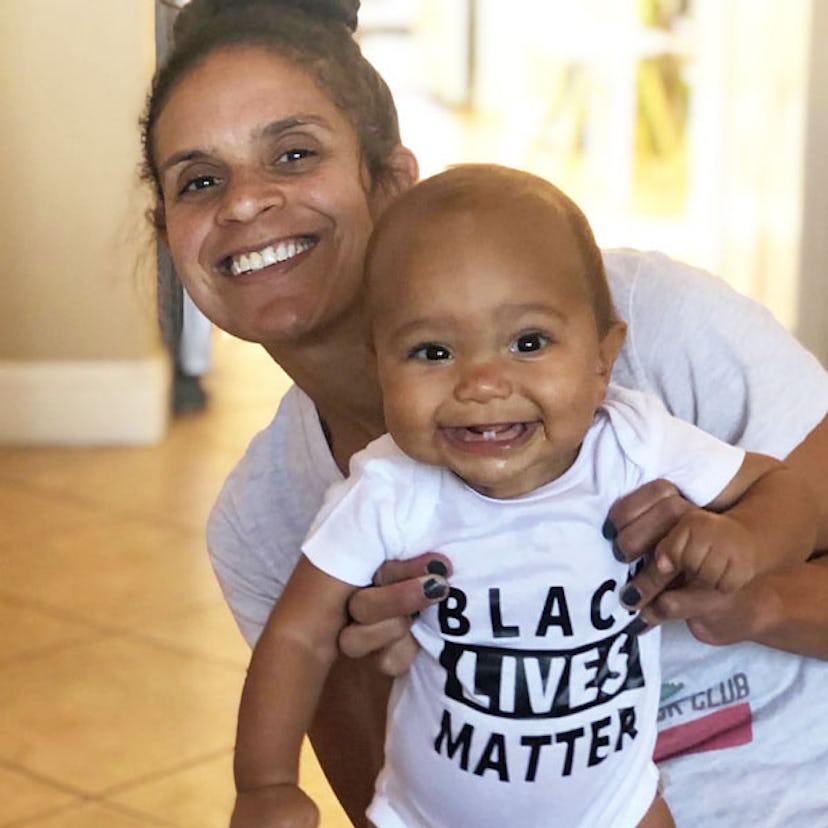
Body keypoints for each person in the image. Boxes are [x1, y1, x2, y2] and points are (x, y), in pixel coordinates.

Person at [140, 0, 828, 824]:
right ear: (170, 236)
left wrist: (754, 597)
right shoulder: (266, 521)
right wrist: (388, 674)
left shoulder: (648, 328)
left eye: (293, 153)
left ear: (391, 181)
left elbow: (789, 503)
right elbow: (376, 799)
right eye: (200, 181)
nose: (244, 203)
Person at [229, 164, 817, 828]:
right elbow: (298, 636)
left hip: (615, 807)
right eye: (430, 352)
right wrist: (266, 783)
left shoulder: (633, 442)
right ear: (379, 367)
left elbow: (785, 489)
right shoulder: (389, 490)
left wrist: (748, 539)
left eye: (528, 343)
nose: (481, 382)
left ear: (603, 358)